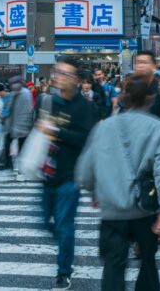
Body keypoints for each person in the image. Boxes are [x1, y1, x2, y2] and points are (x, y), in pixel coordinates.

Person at [76, 75, 160, 291]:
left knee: (113, 266)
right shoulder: (158, 129)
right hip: (145, 210)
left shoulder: (104, 127)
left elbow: (84, 171)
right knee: (148, 264)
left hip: (112, 211)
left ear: (123, 98)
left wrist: (94, 193)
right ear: (150, 98)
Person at [37, 57, 98, 289]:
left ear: (76, 80)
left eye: (65, 74)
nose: (59, 77)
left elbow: (85, 140)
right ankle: (66, 243)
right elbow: (39, 129)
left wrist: (56, 130)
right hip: (46, 173)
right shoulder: (49, 101)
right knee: (43, 222)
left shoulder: (86, 108)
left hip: (70, 177)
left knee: (64, 225)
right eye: (57, 72)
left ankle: (63, 271)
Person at [0, 76, 35, 178]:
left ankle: (15, 170)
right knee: (15, 148)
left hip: (17, 127)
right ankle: (14, 169)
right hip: (17, 127)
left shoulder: (22, 95)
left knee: (14, 148)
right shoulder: (23, 94)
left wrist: (1, 116)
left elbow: (9, 109)